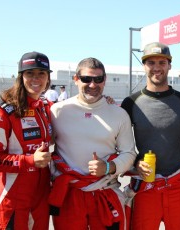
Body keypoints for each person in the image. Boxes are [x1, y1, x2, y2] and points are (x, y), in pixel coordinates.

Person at [121, 42, 180, 230]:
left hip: (178, 185)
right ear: (144, 66)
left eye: (162, 62)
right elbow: (121, 144)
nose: (157, 67)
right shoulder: (130, 103)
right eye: (151, 62)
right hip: (145, 186)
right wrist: (135, 163)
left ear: (169, 65)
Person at [48, 57, 136, 230]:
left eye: (98, 79)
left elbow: (129, 153)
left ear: (105, 80)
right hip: (69, 194)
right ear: (76, 79)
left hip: (105, 191)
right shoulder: (58, 110)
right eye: (86, 79)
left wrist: (109, 167)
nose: (92, 84)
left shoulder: (119, 113)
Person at [0, 51, 53, 229]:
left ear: (48, 79)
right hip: (13, 201)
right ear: (21, 77)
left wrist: (104, 101)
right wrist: (30, 161)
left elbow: (75, 107)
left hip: (41, 199)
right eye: (30, 73)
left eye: (41, 73)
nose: (36, 79)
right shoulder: (1, 113)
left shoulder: (45, 108)